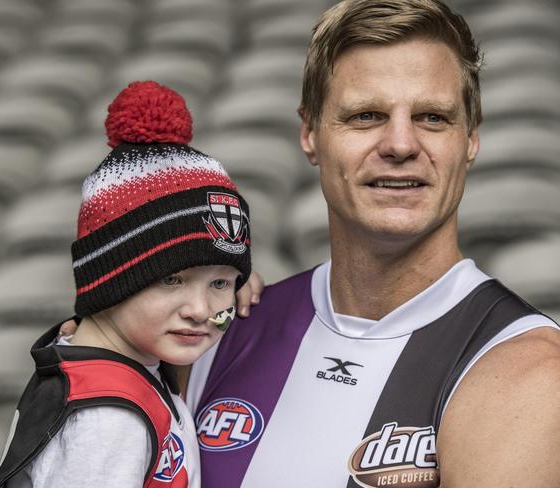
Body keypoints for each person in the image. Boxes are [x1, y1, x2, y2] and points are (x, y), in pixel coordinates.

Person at [185, 1, 560, 487]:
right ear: (310, 134)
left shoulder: (526, 371)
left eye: (432, 117)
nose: (401, 145)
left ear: (470, 139)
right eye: (365, 116)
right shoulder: (217, 330)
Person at [0, 81, 255, 488]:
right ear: (111, 280)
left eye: (221, 282)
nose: (201, 310)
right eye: (172, 278)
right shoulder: (107, 421)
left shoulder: (99, 363)